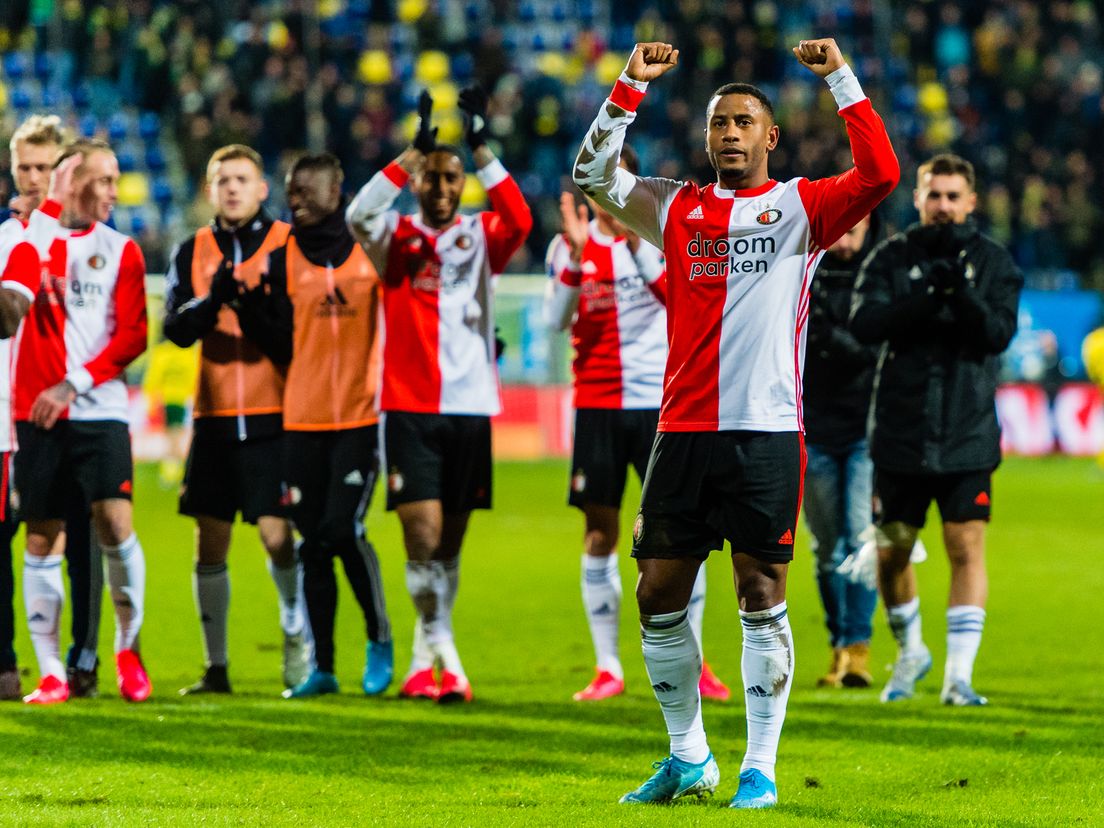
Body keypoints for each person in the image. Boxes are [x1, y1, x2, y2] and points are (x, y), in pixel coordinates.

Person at [572, 39, 898, 807]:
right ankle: (689, 756)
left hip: (765, 429)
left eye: (744, 122)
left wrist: (841, 78)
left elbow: (881, 173)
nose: (729, 134)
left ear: (769, 137)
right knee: (657, 594)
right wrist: (628, 87)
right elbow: (590, 175)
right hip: (682, 430)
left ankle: (759, 765)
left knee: (760, 591)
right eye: (720, 122)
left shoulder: (803, 208)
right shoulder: (673, 206)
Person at [347, 86, 532, 703]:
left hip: (472, 408)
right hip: (407, 407)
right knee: (420, 537)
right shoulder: (394, 239)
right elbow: (357, 215)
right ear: (419, 183)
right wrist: (409, 154)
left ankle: (428, 655)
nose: (443, 188)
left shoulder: (481, 237)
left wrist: (480, 146)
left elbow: (521, 218)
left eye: (452, 179)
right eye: (433, 177)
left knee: (447, 548)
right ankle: (445, 653)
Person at [544, 147, 730, 703]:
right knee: (599, 530)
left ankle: (695, 662)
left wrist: (634, 244)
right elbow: (555, 320)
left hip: (659, 404)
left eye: (617, 178)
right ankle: (607, 667)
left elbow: (679, 303)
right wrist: (578, 258)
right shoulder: (569, 246)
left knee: (679, 534)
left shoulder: (661, 240)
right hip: (598, 405)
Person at [850, 153, 1023, 707]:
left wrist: (962, 294)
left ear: (971, 202)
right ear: (918, 198)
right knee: (893, 551)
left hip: (966, 429)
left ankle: (958, 676)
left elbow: (997, 334)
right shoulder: (891, 258)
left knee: (964, 545)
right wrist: (928, 296)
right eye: (934, 195)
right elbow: (865, 324)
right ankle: (910, 652)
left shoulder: (994, 263)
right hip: (900, 429)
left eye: (953, 196)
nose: (943, 206)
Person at [234, 152, 394, 699]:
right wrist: (254, 315)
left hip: (359, 416)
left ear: (336, 187)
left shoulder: (370, 249)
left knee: (341, 528)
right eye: (289, 189)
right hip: (300, 420)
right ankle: (323, 667)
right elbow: (284, 344)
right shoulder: (281, 258)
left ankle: (379, 638)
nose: (294, 197)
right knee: (312, 542)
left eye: (305, 188)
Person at [163, 144, 309, 695]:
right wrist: (209, 305)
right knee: (210, 541)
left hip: (276, 416)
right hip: (216, 416)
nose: (232, 188)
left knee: (278, 538)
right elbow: (173, 329)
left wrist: (246, 308)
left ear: (262, 188)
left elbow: (297, 339)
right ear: (209, 190)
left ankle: (298, 646)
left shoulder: (287, 245)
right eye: (222, 179)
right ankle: (216, 666)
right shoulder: (191, 250)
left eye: (242, 179)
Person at [14, 138, 152, 704]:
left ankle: (127, 649)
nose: (115, 192)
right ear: (72, 182)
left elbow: (134, 334)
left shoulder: (123, 250)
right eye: (104, 179)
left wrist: (76, 382)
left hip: (100, 410)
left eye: (117, 179)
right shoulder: (30, 241)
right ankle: (49, 670)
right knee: (43, 534)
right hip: (36, 413)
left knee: (115, 526)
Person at [3, 116, 103, 699]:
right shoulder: (9, 239)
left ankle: (82, 662)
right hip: (16, 410)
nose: (35, 178)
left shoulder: (85, 242)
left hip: (76, 407)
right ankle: (24, 663)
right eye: (26, 167)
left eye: (46, 168)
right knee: (27, 533)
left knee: (86, 537)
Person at [800, 215, 880, 688]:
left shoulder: (882, 271)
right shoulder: (804, 270)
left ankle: (858, 649)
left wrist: (832, 337)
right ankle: (838, 646)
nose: (848, 234)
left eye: (858, 225)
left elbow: (877, 347)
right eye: (842, 226)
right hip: (813, 427)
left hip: (867, 430)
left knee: (859, 538)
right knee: (828, 549)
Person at [141, 334, 199, 488]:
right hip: (184, 398)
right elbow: (193, 375)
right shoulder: (188, 352)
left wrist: (151, 397)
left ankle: (171, 468)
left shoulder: (162, 352)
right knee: (179, 432)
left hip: (167, 398)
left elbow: (154, 376)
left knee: (171, 432)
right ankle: (174, 467)